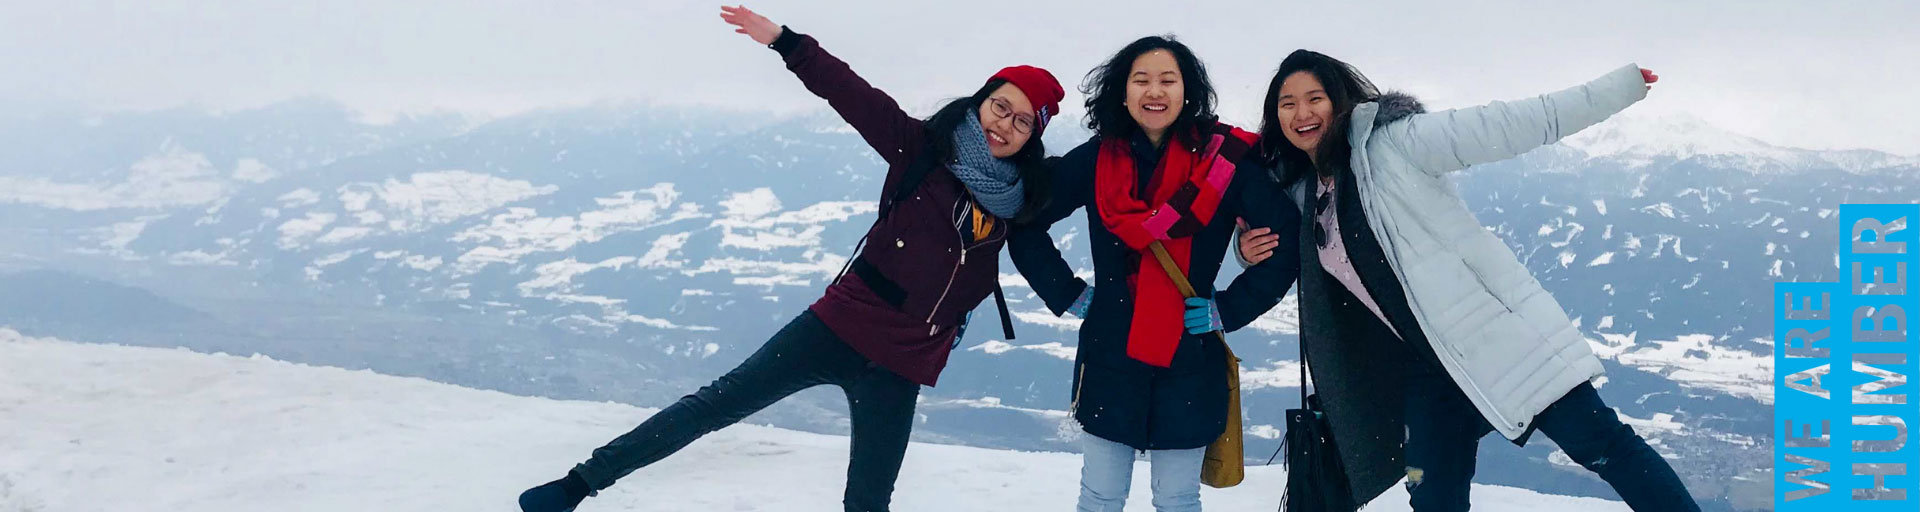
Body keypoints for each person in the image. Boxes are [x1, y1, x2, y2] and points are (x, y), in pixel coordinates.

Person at [517, 5, 1065, 512]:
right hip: (840, 325)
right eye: (1001, 106)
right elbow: (851, 93)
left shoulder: (1021, 199)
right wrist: (786, 42)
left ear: (1033, 135)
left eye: (1022, 121)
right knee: (716, 405)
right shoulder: (920, 146)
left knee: (869, 501)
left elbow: (1086, 187)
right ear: (981, 100)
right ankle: (578, 484)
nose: (1004, 125)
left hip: (903, 361)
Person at [1236, 49, 1697, 511]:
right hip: (1427, 370)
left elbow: (1509, 124)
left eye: (1314, 98)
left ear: (1339, 100)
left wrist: (1617, 88)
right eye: (1288, 103)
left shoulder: (1394, 144)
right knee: (1432, 495)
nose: (1302, 113)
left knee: (1605, 447)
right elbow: (1248, 243)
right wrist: (1242, 252)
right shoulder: (1304, 189)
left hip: (1497, 341)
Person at [1008, 35, 1301, 512]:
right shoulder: (1097, 159)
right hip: (1111, 354)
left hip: (1188, 358)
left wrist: (1228, 308)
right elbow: (1025, 223)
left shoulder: (1223, 163)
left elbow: (1286, 238)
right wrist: (1067, 292)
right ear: (1122, 93)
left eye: (1168, 79)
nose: (1154, 91)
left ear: (1188, 91)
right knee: (1100, 498)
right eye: (1141, 80)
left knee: (1178, 500)